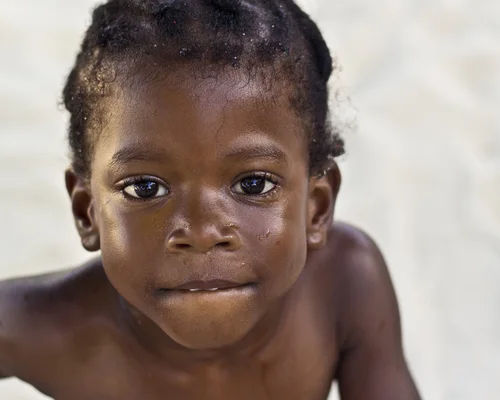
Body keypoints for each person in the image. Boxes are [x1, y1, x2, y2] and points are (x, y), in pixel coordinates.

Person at [0, 0, 421, 398]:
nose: (201, 231)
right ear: (86, 211)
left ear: (317, 207)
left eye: (253, 185)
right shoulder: (37, 328)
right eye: (145, 187)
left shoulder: (344, 286)